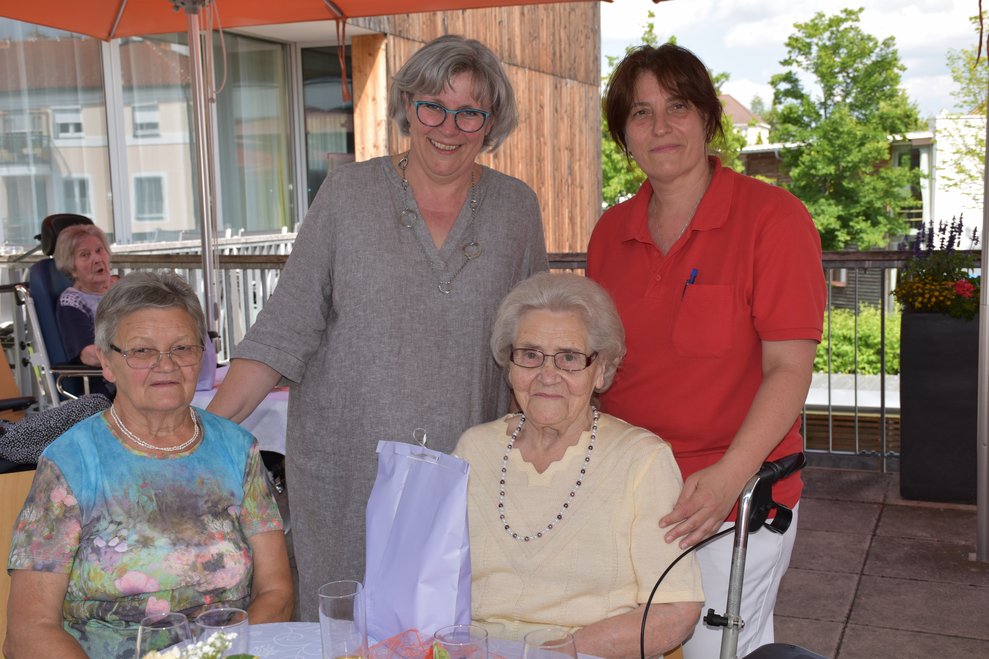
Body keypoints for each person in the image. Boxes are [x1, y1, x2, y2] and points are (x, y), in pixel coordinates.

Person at [207, 34, 548, 620]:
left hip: (466, 473)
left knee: (447, 629)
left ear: (491, 123)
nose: (448, 127)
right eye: (432, 106)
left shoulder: (516, 208)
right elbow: (284, 328)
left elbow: (535, 344)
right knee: (344, 629)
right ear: (407, 106)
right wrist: (200, 435)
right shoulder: (347, 194)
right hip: (348, 470)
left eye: (470, 112)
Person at [587, 44, 827, 658]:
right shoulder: (611, 233)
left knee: (714, 652)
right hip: (630, 489)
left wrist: (729, 476)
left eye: (678, 107)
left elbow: (789, 368)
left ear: (708, 118)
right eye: (641, 113)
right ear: (623, 135)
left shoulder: (773, 218)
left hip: (731, 497)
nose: (660, 127)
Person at [4, 271, 293, 659]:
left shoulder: (238, 450)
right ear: (107, 362)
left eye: (182, 348)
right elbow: (29, 630)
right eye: (142, 351)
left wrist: (222, 654)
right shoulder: (70, 463)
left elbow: (275, 591)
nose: (166, 365)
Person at [454, 272, 704, 658]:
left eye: (569, 358)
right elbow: (430, 579)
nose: (547, 375)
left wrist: (562, 651)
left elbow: (675, 611)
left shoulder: (642, 460)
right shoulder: (474, 449)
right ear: (510, 365)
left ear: (600, 370)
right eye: (530, 355)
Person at [54, 223, 115, 367]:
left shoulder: (120, 290)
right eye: (85, 255)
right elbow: (89, 355)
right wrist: (132, 356)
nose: (97, 259)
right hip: (110, 375)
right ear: (72, 268)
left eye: (99, 250)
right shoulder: (72, 302)